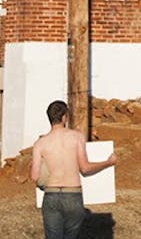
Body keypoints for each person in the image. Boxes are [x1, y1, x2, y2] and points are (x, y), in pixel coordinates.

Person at [30, 100, 117, 239]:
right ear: (65, 116)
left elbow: (35, 176)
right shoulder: (77, 137)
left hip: (51, 195)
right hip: (73, 194)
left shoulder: (40, 144)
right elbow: (85, 168)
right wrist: (108, 162)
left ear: (49, 118)